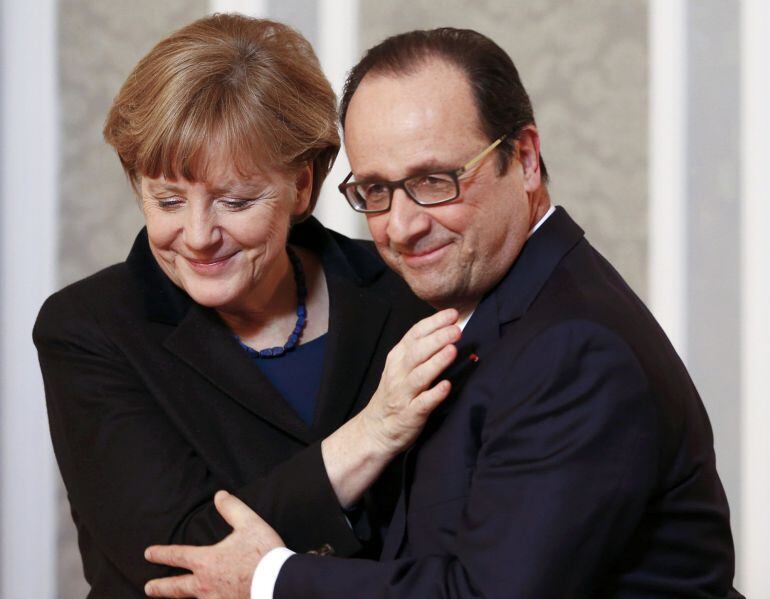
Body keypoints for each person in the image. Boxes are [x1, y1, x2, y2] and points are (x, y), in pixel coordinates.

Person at [144, 27, 740, 598]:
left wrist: (269, 580)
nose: (402, 226)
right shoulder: (486, 307)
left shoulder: (573, 346)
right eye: (375, 191)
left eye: (435, 181)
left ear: (525, 159)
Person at [33, 15, 463, 598]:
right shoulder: (89, 328)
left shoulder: (402, 294)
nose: (198, 234)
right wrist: (373, 433)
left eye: (235, 201)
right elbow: (179, 562)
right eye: (168, 199)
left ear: (303, 186)